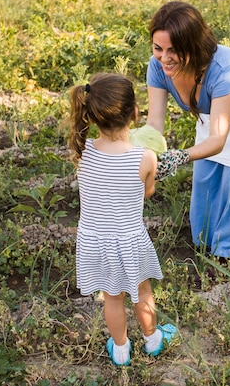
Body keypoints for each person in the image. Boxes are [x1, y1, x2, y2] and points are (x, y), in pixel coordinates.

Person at [146, 1, 230, 260]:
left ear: (193, 46)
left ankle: (227, 255)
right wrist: (144, 155)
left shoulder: (222, 72)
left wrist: (179, 157)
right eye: (158, 48)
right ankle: (204, 243)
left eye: (174, 50)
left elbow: (217, 139)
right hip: (214, 112)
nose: (164, 58)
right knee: (206, 179)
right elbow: (154, 125)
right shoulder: (157, 67)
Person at [68, 72, 177, 366]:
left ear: (90, 116)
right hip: (129, 239)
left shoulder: (82, 151)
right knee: (142, 292)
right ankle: (153, 340)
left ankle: (120, 350)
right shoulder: (144, 158)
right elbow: (147, 192)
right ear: (135, 113)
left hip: (94, 240)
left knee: (112, 298)